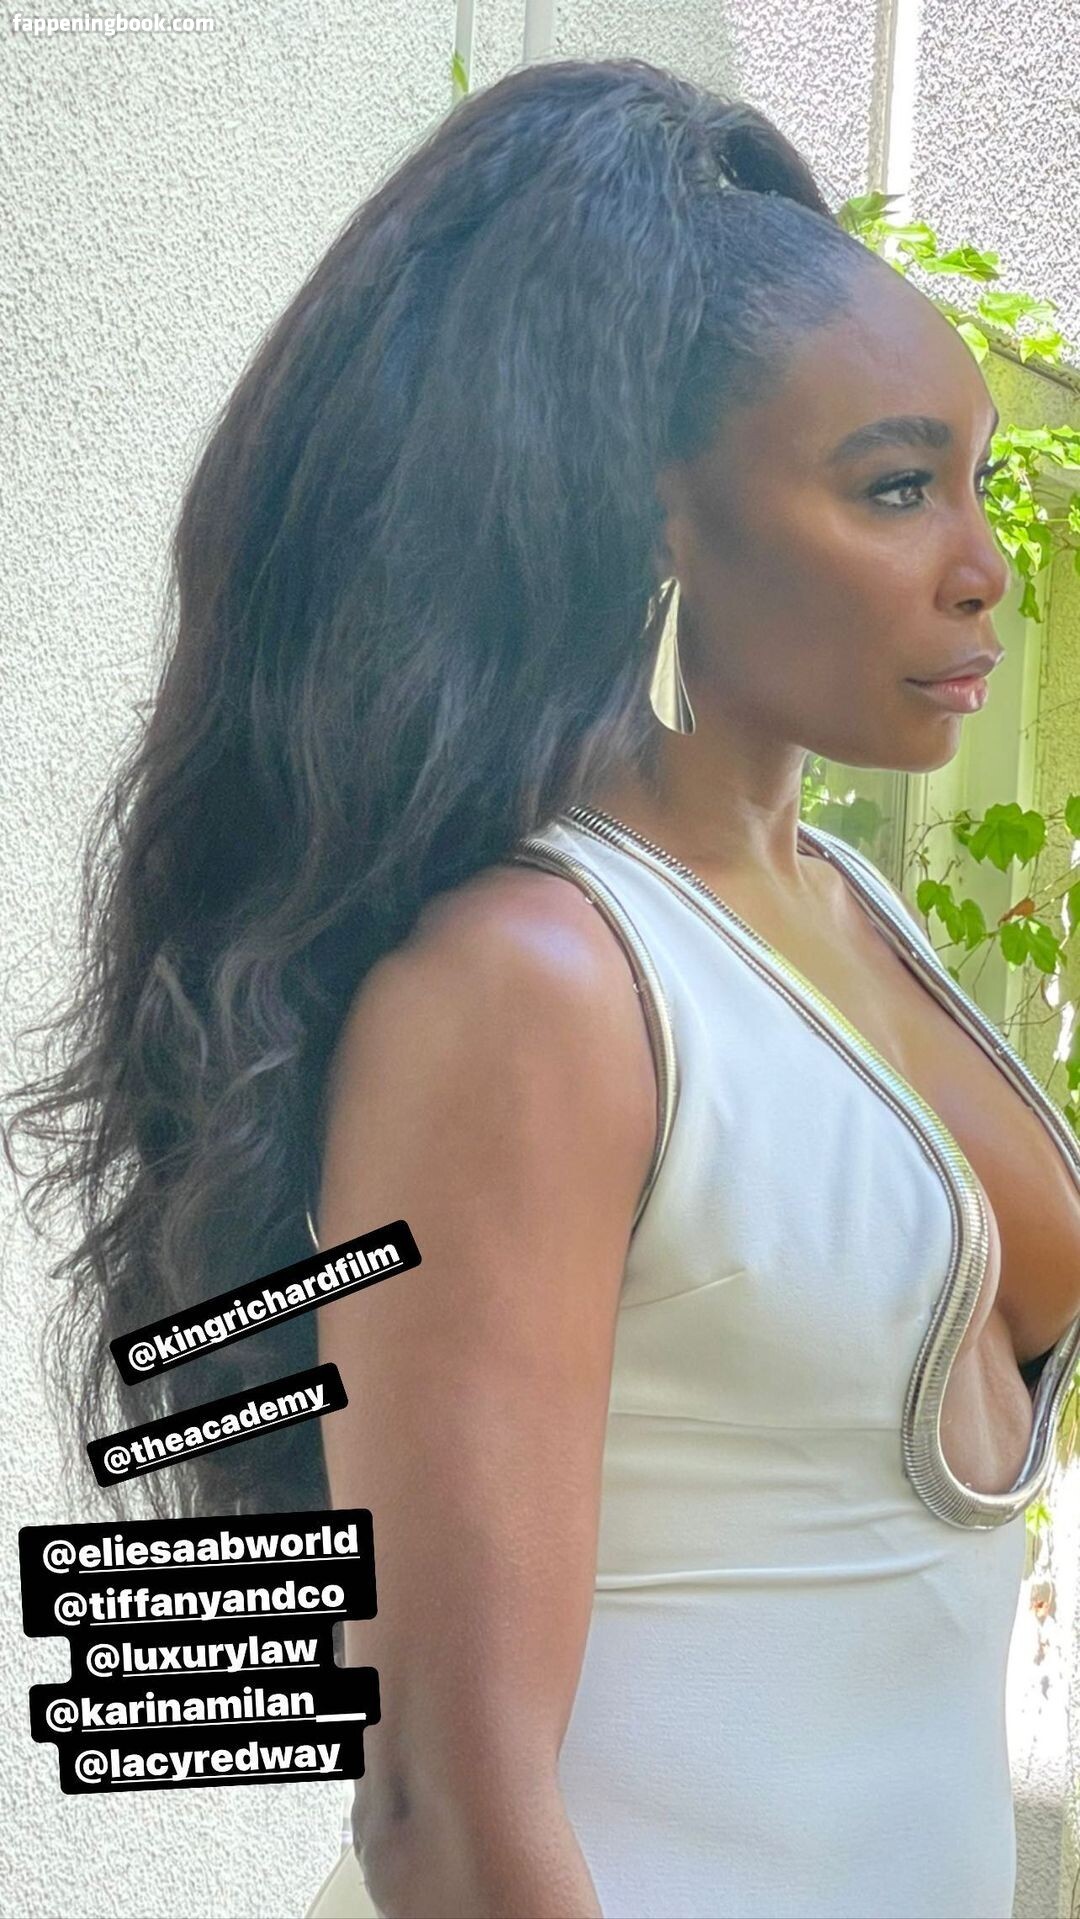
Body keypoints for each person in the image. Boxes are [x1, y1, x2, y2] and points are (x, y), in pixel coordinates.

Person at [5, 53, 1079, 1919]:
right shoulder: (534, 982)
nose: (982, 569)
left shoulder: (839, 908)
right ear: (658, 519)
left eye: (974, 484)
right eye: (896, 489)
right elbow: (439, 1805)